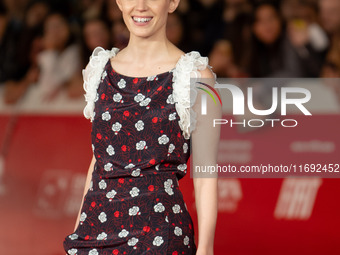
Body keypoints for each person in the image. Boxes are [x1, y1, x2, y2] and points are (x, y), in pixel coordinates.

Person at [63, 0, 221, 254]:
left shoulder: (196, 76)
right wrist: (79, 227)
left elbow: (206, 173)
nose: (141, 5)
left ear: (173, 3)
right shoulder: (100, 69)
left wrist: (206, 248)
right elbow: (100, 159)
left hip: (159, 232)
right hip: (94, 230)